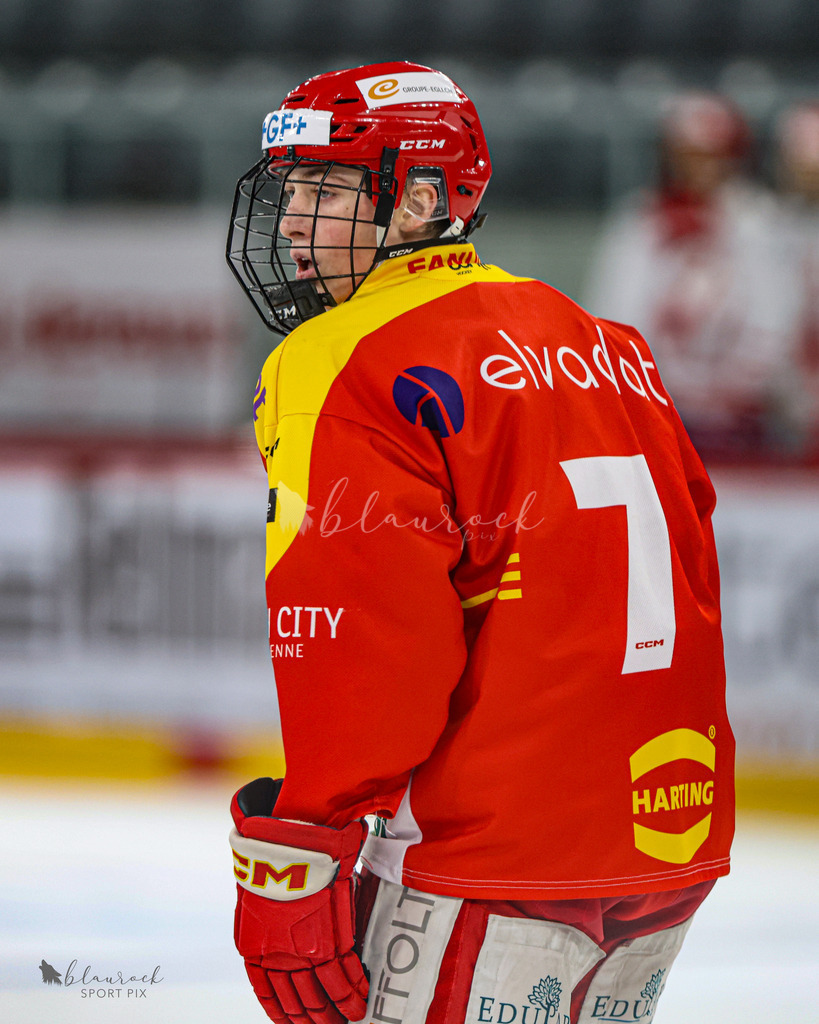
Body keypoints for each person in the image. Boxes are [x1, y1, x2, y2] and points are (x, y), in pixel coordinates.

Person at [225, 62, 735, 1024]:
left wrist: (302, 842)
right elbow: (695, 570)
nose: (292, 219)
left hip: (486, 861)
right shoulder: (608, 343)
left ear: (420, 199)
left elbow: (361, 635)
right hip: (670, 845)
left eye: (327, 188)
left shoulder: (340, 356)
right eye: (289, 188)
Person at [584, 90, 794, 459]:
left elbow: (776, 320)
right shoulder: (640, 221)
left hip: (747, 421)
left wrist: (734, 391)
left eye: (710, 156)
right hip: (661, 413)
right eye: (684, 156)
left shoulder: (759, 220)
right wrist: (664, 392)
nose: (696, 168)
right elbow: (614, 319)